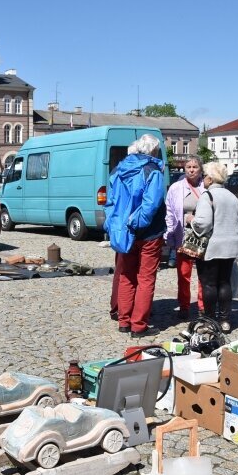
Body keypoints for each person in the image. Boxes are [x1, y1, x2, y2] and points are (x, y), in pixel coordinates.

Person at [104, 134, 167, 338]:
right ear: (153, 151)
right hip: (147, 232)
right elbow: (151, 204)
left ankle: (124, 321)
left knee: (126, 275)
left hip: (124, 232)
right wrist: (136, 223)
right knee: (146, 278)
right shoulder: (152, 171)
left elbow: (110, 202)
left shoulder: (119, 169)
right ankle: (138, 325)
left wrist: (119, 226)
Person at [191, 162, 238, 333]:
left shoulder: (207, 196)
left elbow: (204, 223)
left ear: (209, 178)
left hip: (213, 246)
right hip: (230, 245)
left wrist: (190, 220)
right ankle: (225, 320)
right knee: (225, 282)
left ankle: (210, 321)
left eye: (204, 176)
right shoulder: (232, 196)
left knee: (209, 285)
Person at [164, 154, 205, 320]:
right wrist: (169, 234)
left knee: (204, 274)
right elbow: (169, 212)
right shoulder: (176, 188)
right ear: (184, 169)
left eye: (195, 167)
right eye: (188, 167)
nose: (191, 170)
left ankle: (203, 306)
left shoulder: (207, 187)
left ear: (201, 169)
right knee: (183, 274)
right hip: (183, 236)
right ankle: (184, 305)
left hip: (203, 237)